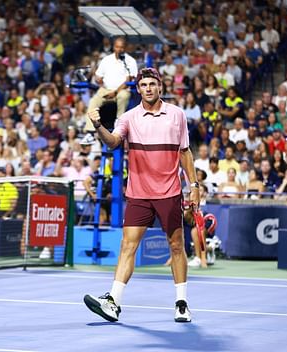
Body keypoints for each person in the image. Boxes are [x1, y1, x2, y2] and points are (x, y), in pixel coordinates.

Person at [83, 67, 198, 323]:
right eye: (143, 84)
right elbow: (113, 142)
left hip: (169, 192)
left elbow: (185, 153)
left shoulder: (177, 116)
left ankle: (181, 304)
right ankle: (113, 302)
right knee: (127, 246)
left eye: (152, 84)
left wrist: (195, 186)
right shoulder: (129, 118)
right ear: (138, 89)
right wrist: (98, 125)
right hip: (139, 194)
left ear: (160, 87)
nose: (148, 88)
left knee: (177, 246)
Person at [86, 37, 138, 131]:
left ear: (125, 48)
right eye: (117, 47)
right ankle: (90, 130)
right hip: (106, 89)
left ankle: (119, 123)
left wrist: (115, 92)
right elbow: (98, 76)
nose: (119, 49)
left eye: (121, 47)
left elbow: (128, 81)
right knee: (93, 101)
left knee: (123, 96)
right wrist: (99, 80)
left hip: (122, 90)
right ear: (114, 47)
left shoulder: (130, 61)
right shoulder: (106, 59)